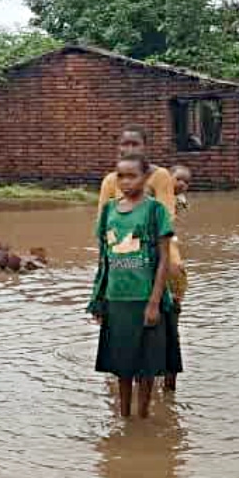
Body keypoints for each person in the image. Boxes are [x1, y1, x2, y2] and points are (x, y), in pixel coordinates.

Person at [88, 153, 178, 418]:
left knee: (146, 367)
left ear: (146, 177)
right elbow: (104, 258)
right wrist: (99, 298)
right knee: (121, 367)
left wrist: (154, 302)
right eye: (121, 176)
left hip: (144, 298)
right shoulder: (109, 211)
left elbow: (163, 259)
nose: (126, 182)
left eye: (132, 176)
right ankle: (125, 417)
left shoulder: (154, 210)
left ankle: (143, 417)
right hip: (117, 299)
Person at [164, 165, 192, 392]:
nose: (182, 183)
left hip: (173, 276)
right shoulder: (155, 203)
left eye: (186, 181)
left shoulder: (178, 202)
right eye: (178, 179)